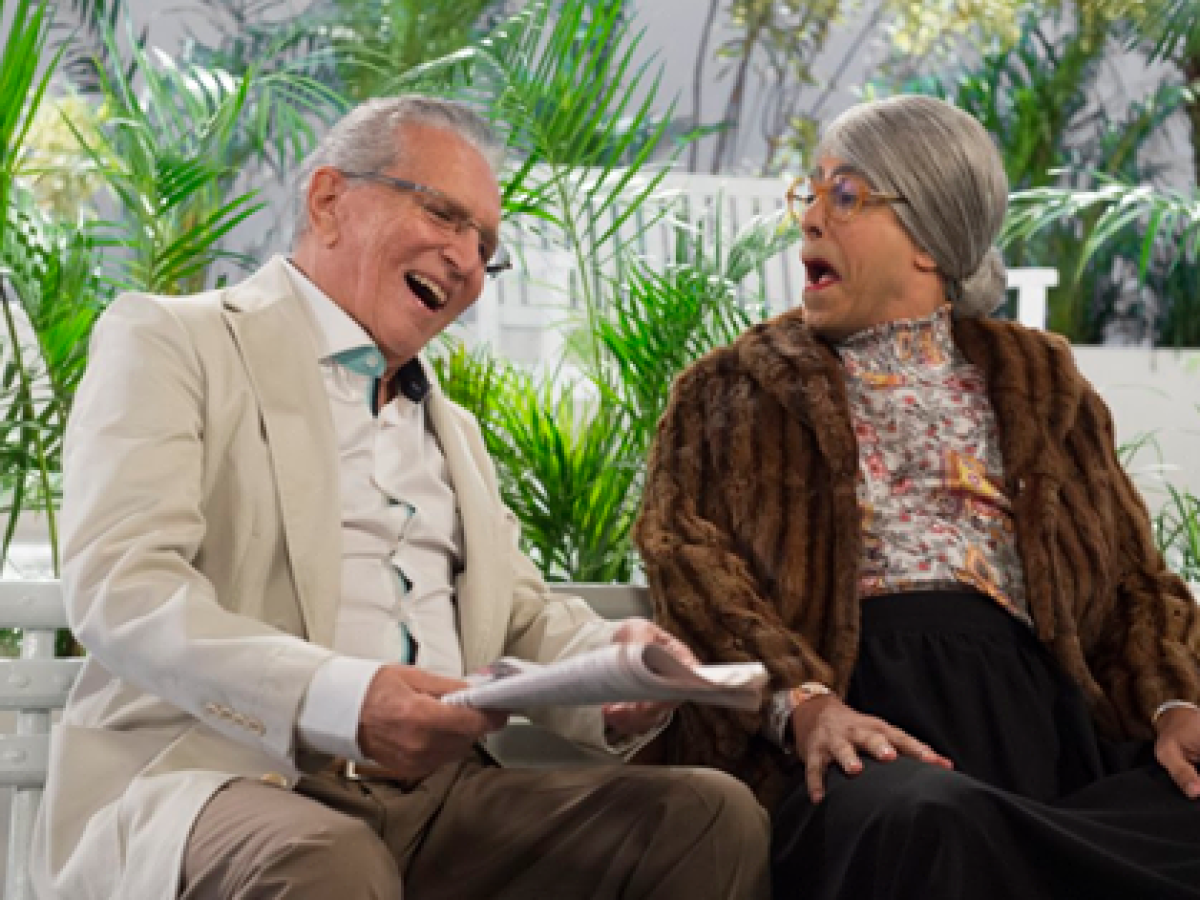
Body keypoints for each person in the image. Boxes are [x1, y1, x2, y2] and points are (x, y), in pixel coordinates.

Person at [31, 95, 769, 900]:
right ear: (329, 201)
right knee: (324, 859)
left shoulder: (458, 434)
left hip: (444, 801)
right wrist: (342, 698)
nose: (467, 261)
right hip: (230, 775)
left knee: (706, 818)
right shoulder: (175, 341)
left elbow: (520, 614)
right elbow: (126, 587)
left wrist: (616, 672)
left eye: (486, 246)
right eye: (445, 215)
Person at [634, 93, 1200, 900]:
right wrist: (805, 703)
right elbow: (685, 560)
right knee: (927, 821)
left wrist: (1174, 703)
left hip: (1051, 734)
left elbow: (1136, 584)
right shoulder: (731, 392)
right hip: (851, 737)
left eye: (847, 195)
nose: (810, 219)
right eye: (811, 192)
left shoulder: (1048, 390)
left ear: (931, 238)